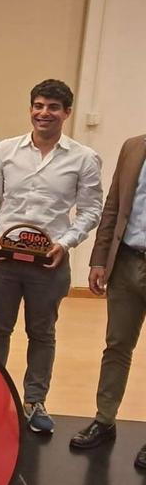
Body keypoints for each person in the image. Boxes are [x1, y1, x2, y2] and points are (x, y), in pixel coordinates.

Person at [0, 79, 103, 434]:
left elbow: (92, 210)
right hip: (2, 260)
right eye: (38, 105)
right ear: (30, 108)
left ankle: (35, 401)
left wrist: (66, 242)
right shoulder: (5, 151)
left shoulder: (84, 158)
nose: (43, 113)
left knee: (42, 333)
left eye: (52, 108)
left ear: (67, 113)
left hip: (50, 262)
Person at [69, 134, 146, 465]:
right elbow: (113, 205)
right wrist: (99, 259)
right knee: (117, 346)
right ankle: (104, 419)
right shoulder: (132, 146)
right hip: (127, 260)